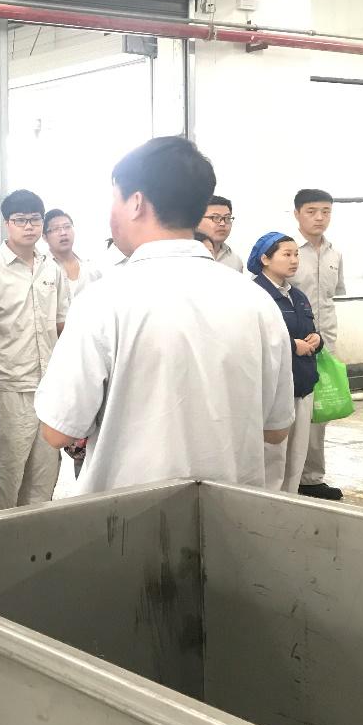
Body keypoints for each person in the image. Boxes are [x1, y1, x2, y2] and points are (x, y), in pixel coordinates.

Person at [35, 138, 294, 495]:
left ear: (136, 202)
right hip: (231, 512)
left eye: (115, 198)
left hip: (127, 514)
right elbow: (276, 430)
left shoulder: (103, 300)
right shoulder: (257, 301)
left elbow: (57, 431)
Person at [0, 191, 70, 512]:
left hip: (48, 389)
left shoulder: (52, 268)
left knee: (43, 478)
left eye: (34, 219)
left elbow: (62, 324)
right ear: (7, 224)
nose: (28, 226)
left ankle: (34, 539)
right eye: (20, 220)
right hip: (8, 389)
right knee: (2, 477)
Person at [249, 233, 322, 493]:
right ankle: (269, 504)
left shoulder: (298, 295)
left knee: (296, 456)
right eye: (287, 254)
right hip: (275, 387)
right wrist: (292, 345)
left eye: (296, 254)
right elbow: (252, 338)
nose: (294, 260)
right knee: (272, 456)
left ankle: (291, 501)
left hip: (302, 384)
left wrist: (317, 339)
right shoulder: (255, 294)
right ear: (265, 259)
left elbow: (309, 329)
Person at [293, 188, 346, 501]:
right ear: (297, 213)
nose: (320, 217)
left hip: (326, 344)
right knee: (290, 412)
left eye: (326, 211)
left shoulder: (334, 254)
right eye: (312, 211)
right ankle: (286, 477)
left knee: (319, 413)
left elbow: (331, 298)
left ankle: (311, 478)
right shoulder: (287, 251)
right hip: (295, 345)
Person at [43, 209, 101, 299]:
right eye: (56, 229)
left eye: (67, 227)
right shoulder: (41, 269)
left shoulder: (91, 266)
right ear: (45, 237)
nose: (63, 233)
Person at [197, 196, 244, 272]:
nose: (223, 223)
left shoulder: (235, 261)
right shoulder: (183, 254)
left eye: (227, 218)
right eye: (215, 217)